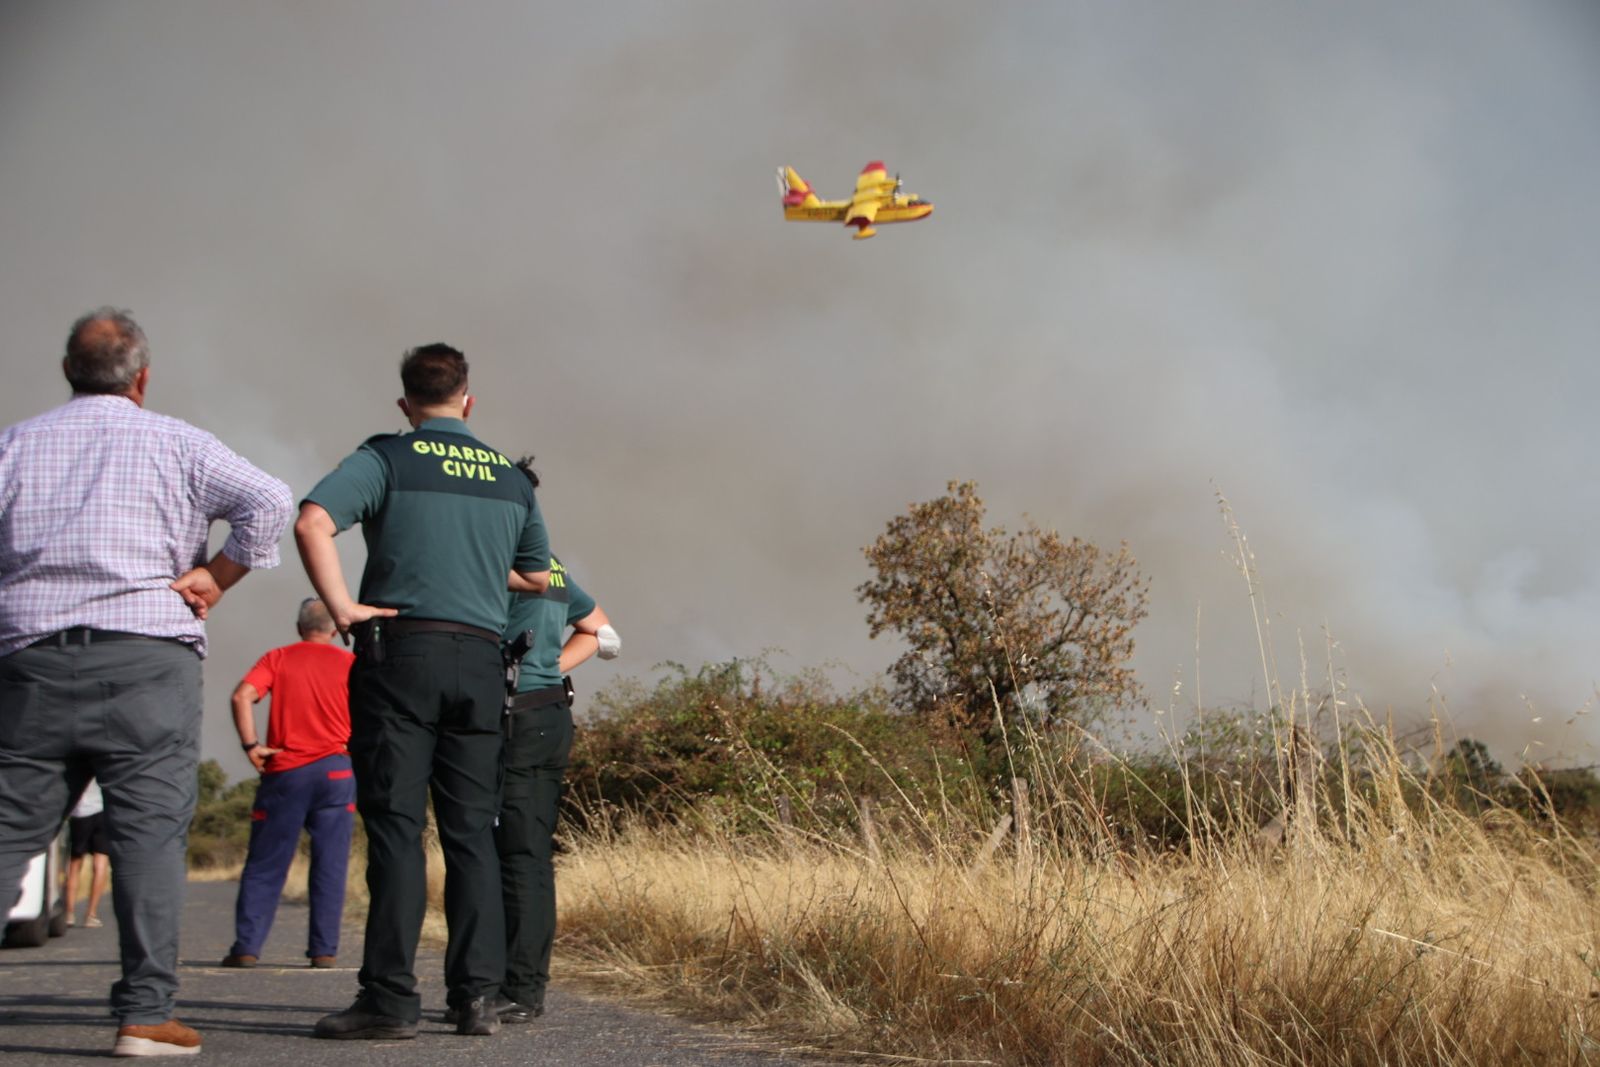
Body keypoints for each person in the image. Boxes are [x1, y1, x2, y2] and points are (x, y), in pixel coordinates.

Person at [0, 307, 293, 1058]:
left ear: (69, 371)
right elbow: (270, 499)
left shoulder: (14, 445)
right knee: (148, 835)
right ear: (142, 377)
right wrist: (217, 576)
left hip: (30, 657)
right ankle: (144, 1013)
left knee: (10, 829)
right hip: (147, 657)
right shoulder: (177, 441)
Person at [296, 343, 551, 1040]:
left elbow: (311, 520)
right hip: (479, 659)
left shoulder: (386, 457)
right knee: (472, 833)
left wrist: (342, 606)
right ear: (469, 401)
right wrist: (474, 565)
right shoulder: (508, 476)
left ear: (406, 405)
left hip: (401, 654)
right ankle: (476, 998)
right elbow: (536, 576)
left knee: (398, 831)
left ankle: (390, 998)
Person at [450, 458, 621, 1026]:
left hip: (515, 720)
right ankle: (514, 985)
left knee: (511, 855)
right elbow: (600, 629)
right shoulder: (550, 565)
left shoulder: (495, 561)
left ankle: (519, 990)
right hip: (548, 714)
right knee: (525, 854)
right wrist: (553, 668)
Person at [220, 598, 356, 970]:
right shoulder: (350, 663)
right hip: (336, 771)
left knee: (266, 861)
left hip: (286, 770)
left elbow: (241, 696)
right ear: (335, 630)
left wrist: (251, 745)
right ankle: (324, 950)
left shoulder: (277, 658)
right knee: (330, 863)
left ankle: (247, 946)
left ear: (299, 628)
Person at [66, 778, 110, 929]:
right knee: (101, 862)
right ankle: (91, 915)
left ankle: (69, 913)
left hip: (80, 812)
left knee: (75, 863)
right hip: (103, 810)